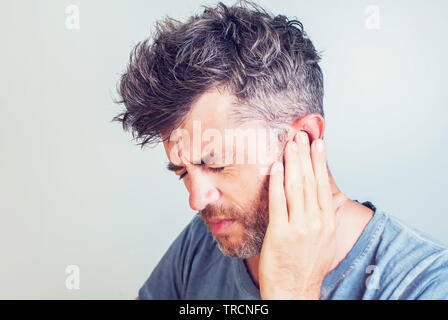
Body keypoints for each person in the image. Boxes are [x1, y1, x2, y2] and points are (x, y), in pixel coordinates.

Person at [113, 1, 448, 299]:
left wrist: (292, 292)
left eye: (216, 165)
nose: (196, 200)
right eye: (183, 172)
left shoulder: (427, 285)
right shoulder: (204, 243)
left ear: (302, 137)